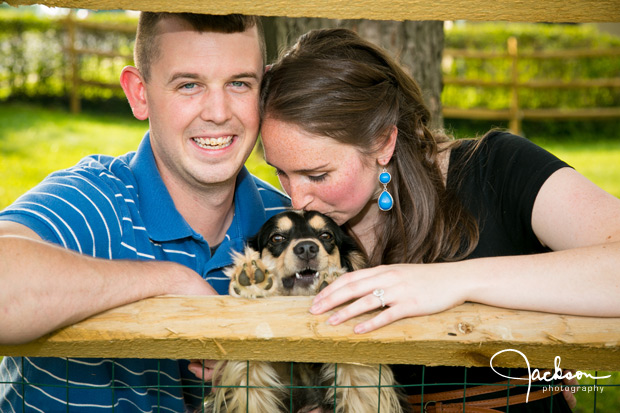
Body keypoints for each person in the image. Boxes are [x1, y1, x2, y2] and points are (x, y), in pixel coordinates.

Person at [259, 28, 620, 411]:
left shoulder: (497, 169)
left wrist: (454, 281)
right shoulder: (298, 239)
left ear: (383, 142)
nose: (297, 201)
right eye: (280, 172)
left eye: (317, 175)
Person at [0, 12, 289, 412]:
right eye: (189, 85)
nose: (219, 112)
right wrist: (170, 283)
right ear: (139, 93)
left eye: (239, 83)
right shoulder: (96, 201)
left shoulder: (288, 225)